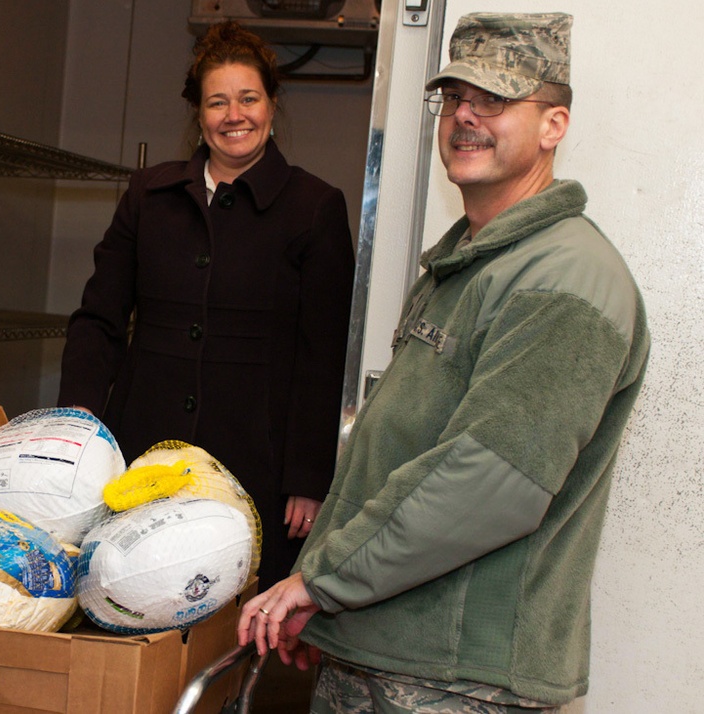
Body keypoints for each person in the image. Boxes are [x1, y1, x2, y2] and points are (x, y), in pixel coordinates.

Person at [237, 12, 650, 713]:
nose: (466, 115)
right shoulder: (465, 265)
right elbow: (391, 450)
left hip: (457, 681)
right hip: (381, 652)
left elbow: (488, 480)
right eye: (455, 95)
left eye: (495, 99)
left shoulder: (567, 282)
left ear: (554, 125)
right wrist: (328, 597)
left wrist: (323, 580)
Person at [57, 20, 355, 591]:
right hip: (143, 448)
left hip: (256, 459)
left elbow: (323, 355)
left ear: (271, 105)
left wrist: (309, 477)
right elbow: (98, 320)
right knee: (128, 594)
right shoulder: (149, 196)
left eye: (249, 98)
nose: (234, 115)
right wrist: (78, 434)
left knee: (235, 619)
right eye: (217, 102)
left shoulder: (314, 207)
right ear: (199, 113)